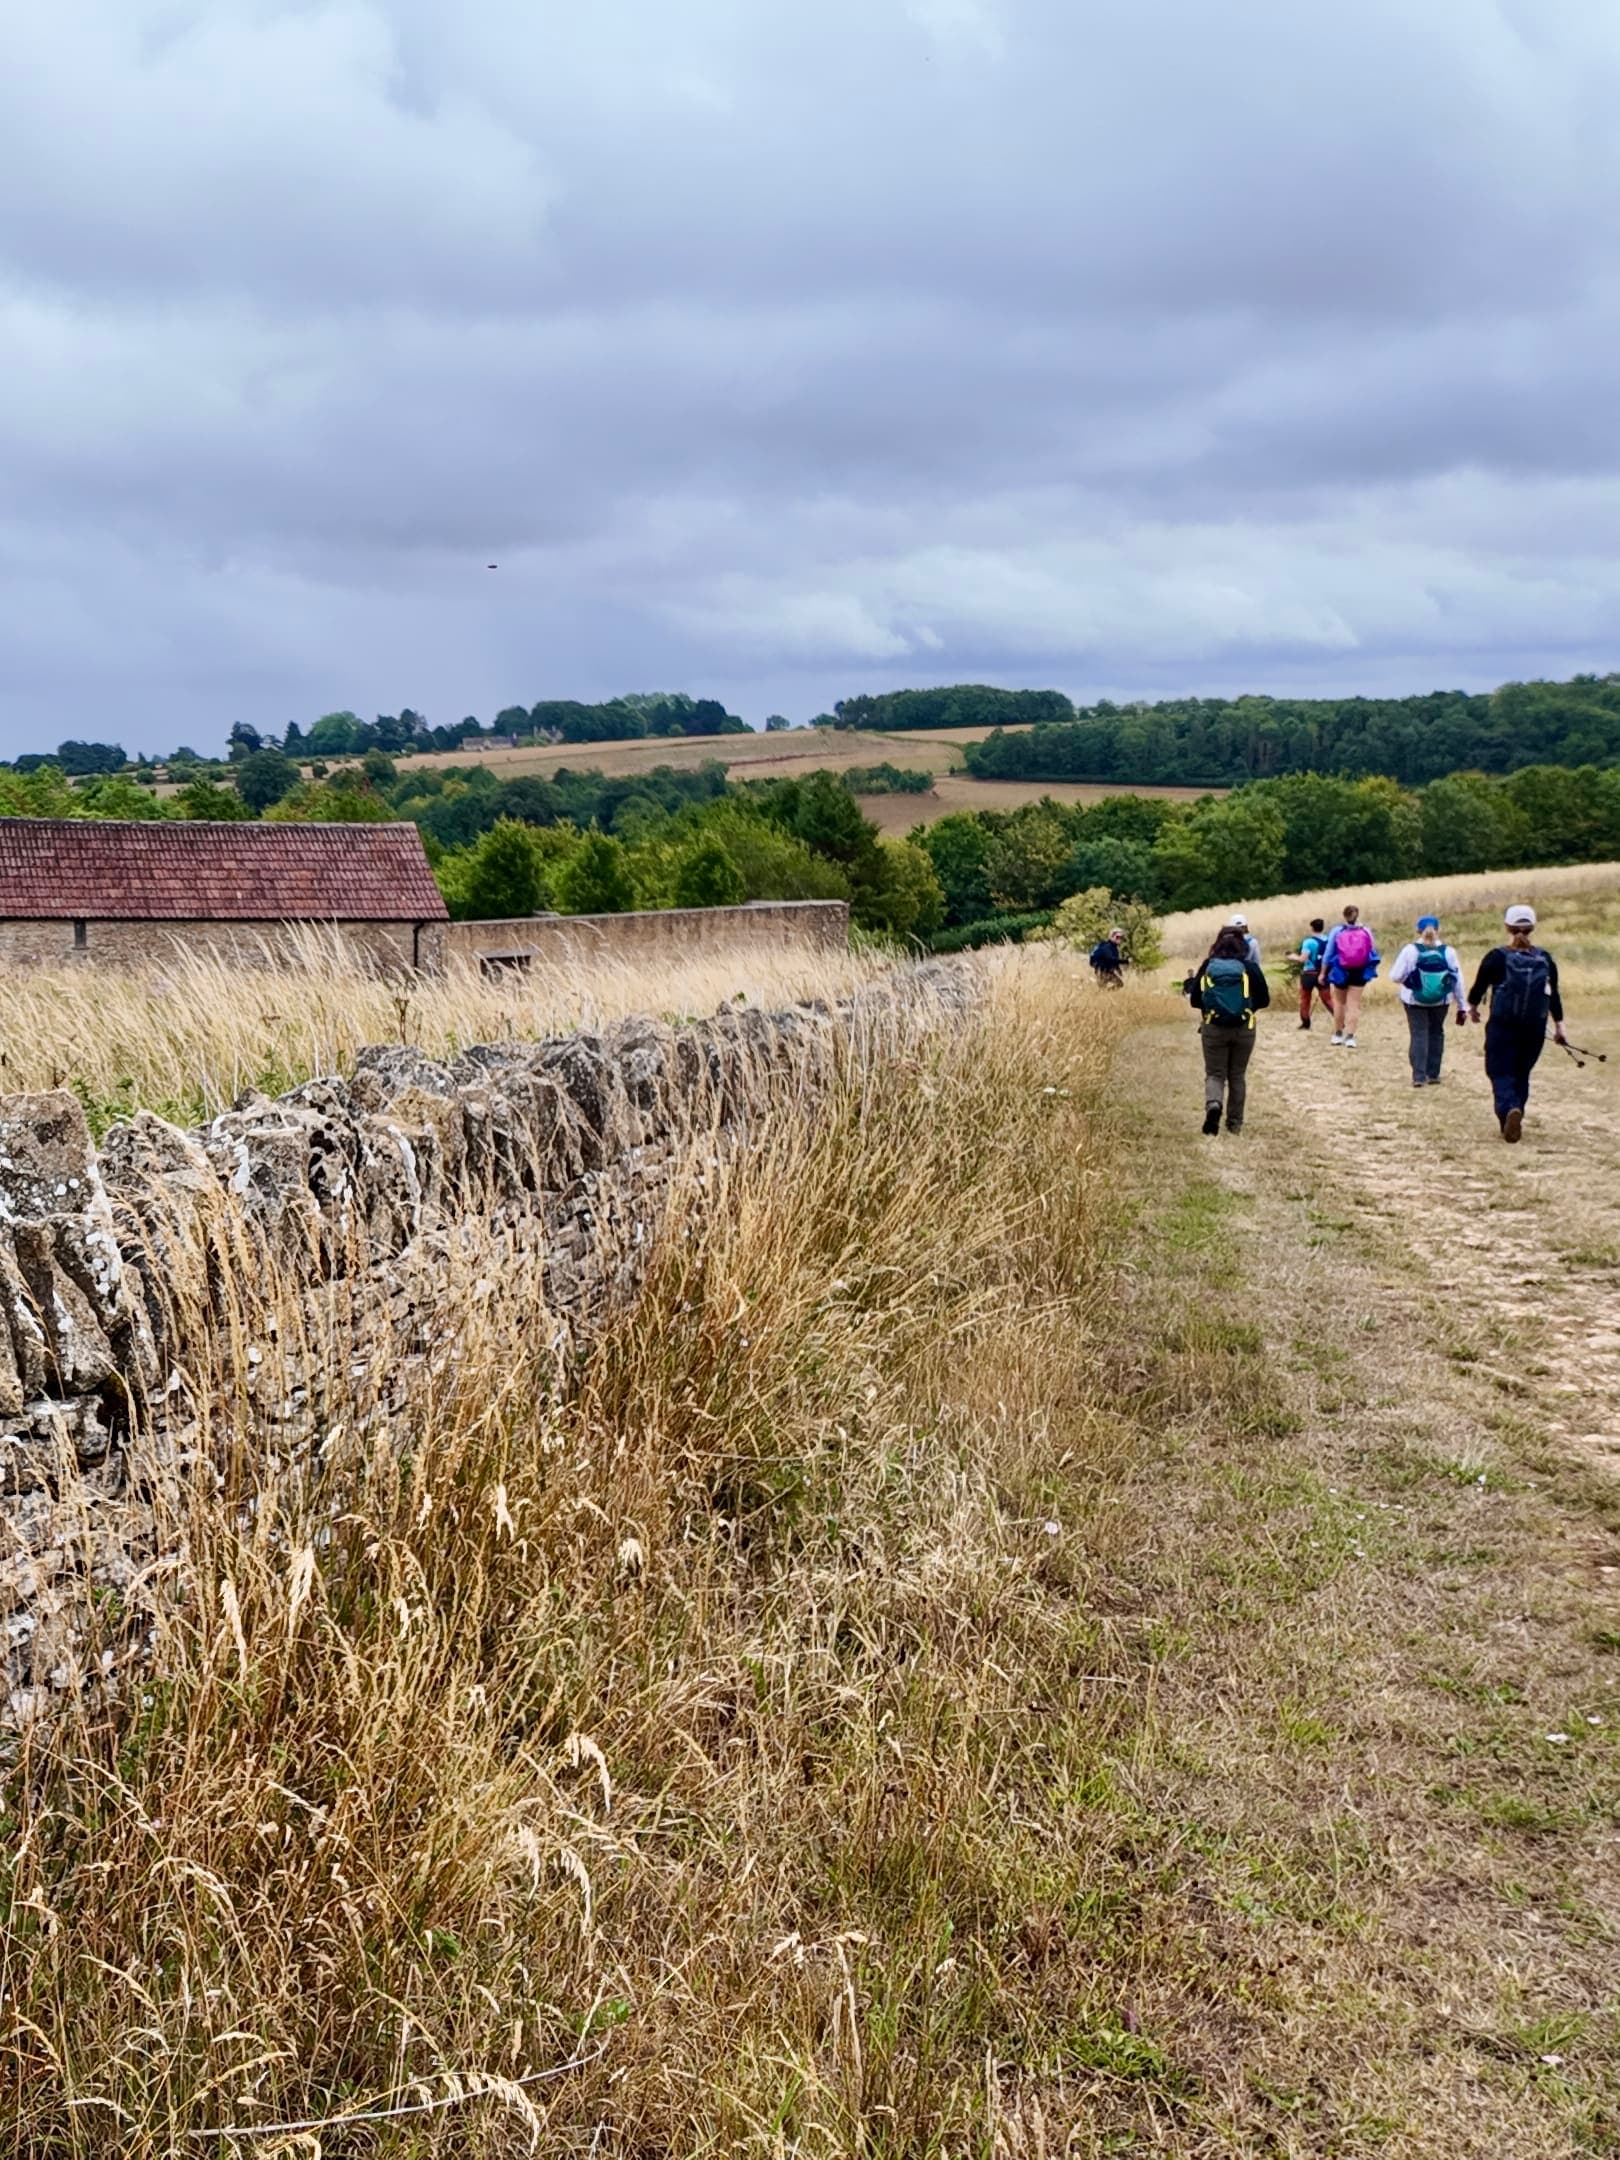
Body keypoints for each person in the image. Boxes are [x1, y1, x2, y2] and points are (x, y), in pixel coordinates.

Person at [1466, 904, 1568, 1142]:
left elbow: (1479, 987)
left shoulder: (1496, 957)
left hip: (1503, 1024)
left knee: (1499, 1071)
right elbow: (1553, 994)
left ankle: (1509, 1110)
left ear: (1507, 927)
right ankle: (1516, 1112)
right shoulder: (1545, 958)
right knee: (1522, 1072)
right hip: (1534, 1027)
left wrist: (1473, 1007)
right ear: (1533, 927)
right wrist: (1560, 1025)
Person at [1185, 925, 1270, 1135]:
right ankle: (1234, 1123)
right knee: (1237, 1076)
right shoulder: (1250, 968)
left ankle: (1214, 1104)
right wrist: (1246, 1010)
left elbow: (1195, 1000)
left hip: (1213, 1027)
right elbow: (1264, 1000)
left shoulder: (1208, 966)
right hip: (1244, 1028)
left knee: (1215, 1074)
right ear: (1242, 945)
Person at [1390, 915, 1466, 1087]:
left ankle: (1419, 1076)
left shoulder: (1410, 951)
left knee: (1418, 1034)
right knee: (1436, 1033)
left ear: (1418, 931)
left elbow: (1395, 976)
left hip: (1414, 1000)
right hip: (1441, 1000)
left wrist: (1410, 981)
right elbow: (1458, 980)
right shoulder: (1448, 952)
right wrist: (1462, 1005)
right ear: (1438, 930)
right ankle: (1434, 1074)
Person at [1320, 903, 1379, 1047]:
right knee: (1354, 1004)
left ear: (1344, 915)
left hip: (1340, 970)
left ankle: (1338, 1034)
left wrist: (1322, 972)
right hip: (1359, 971)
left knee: (1339, 1003)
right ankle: (1350, 1037)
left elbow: (1328, 953)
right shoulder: (1366, 931)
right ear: (1357, 915)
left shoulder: (1337, 931)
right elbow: (1372, 951)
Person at [1287, 917, 1335, 1030]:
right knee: (1328, 999)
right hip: (1323, 972)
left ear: (1312, 928)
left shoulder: (1308, 942)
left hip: (1309, 973)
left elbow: (1303, 959)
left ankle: (1305, 1023)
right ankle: (1340, 1020)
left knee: (1305, 999)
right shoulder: (1327, 940)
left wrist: (1292, 956)